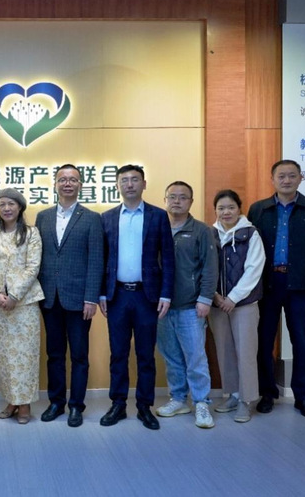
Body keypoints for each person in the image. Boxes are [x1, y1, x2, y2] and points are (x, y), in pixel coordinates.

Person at [248, 159, 305, 419]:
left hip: (301, 286)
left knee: (301, 343)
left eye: (292, 175)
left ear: (300, 178)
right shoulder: (258, 209)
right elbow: (248, 250)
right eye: (281, 176)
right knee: (264, 341)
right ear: (272, 179)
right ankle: (267, 393)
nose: (286, 180)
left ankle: (302, 397)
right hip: (268, 285)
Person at [99, 164, 175, 430]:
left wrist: (166, 294)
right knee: (118, 353)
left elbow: (168, 258)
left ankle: (144, 406)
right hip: (117, 295)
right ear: (117, 185)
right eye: (124, 180)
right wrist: (101, 293)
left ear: (144, 184)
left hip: (147, 296)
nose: (129, 184)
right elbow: (103, 259)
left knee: (145, 354)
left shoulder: (158, 216)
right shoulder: (107, 217)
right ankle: (118, 404)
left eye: (134, 179)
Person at [35, 165, 103, 427]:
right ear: (55, 184)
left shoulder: (92, 218)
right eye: (62, 179)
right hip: (49, 298)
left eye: (72, 179)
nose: (67, 183)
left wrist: (91, 298)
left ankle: (76, 406)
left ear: (80, 185)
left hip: (79, 299)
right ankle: (56, 403)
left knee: (79, 356)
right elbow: (37, 257)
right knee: (54, 354)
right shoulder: (43, 217)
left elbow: (96, 259)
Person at [155, 181, 218, 429]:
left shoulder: (201, 231)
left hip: (191, 306)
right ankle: (179, 399)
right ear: (165, 200)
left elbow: (210, 268)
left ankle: (201, 402)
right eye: (172, 196)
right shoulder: (157, 228)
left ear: (191, 202)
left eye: (183, 197)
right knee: (171, 357)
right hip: (161, 307)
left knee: (195, 358)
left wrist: (205, 299)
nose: (177, 201)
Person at [0, 188, 45, 424]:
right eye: (2, 204)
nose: (7, 208)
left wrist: (15, 296)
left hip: (25, 304)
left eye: (11, 204)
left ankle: (25, 403)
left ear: (20, 207)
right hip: (0, 305)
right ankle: (11, 400)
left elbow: (33, 267)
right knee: (5, 355)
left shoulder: (31, 233)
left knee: (26, 355)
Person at [209, 189, 265, 423]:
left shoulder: (251, 234)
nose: (226, 212)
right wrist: (215, 296)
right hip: (217, 304)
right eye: (221, 208)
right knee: (225, 352)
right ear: (215, 211)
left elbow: (254, 269)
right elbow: (203, 267)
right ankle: (232, 395)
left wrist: (233, 298)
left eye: (231, 207)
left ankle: (246, 400)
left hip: (244, 304)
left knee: (246, 353)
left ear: (239, 209)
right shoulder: (210, 234)